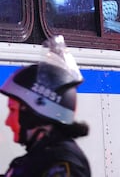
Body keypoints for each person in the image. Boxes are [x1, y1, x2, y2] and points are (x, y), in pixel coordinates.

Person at [0, 35, 91, 176]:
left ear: (33, 114)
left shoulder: (62, 164)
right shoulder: (41, 159)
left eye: (13, 110)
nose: (7, 122)